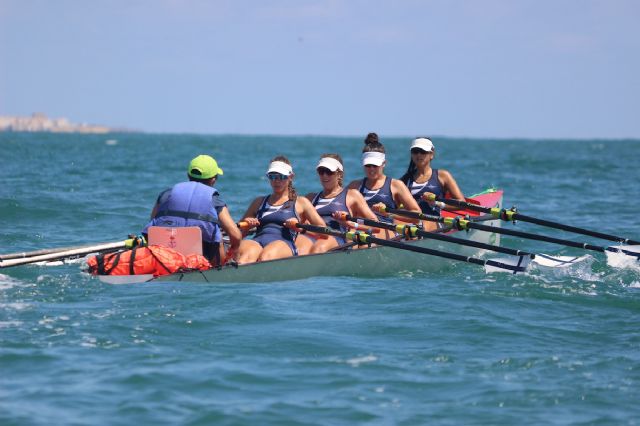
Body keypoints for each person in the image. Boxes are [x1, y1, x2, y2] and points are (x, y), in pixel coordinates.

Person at [142, 154, 242, 266]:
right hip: (201, 257)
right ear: (213, 180)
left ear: (188, 175)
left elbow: (153, 222)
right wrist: (233, 251)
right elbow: (235, 235)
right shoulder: (215, 200)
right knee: (220, 236)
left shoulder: (166, 194)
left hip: (163, 254)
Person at [237, 155, 326, 263]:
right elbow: (238, 234)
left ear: (291, 177)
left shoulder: (301, 203)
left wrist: (301, 229)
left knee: (266, 256)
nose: (276, 181)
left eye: (281, 177)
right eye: (272, 176)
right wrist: (247, 227)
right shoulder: (258, 202)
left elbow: (324, 232)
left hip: (283, 244)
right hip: (257, 242)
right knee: (245, 257)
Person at [296, 154, 381, 254]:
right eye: (321, 171)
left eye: (329, 172)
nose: (324, 175)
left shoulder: (352, 195)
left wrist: (349, 224)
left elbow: (376, 227)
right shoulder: (310, 198)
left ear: (339, 174)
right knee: (299, 248)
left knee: (319, 247)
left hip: (338, 237)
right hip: (313, 235)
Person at [347, 133, 421, 237]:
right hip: (360, 230)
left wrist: (389, 213)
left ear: (384, 163)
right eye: (368, 165)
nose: (371, 169)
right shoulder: (354, 186)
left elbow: (417, 216)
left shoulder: (396, 185)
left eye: (375, 165)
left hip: (384, 231)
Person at [400, 137, 465, 230]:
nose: (419, 155)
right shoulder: (405, 180)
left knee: (423, 225)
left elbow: (462, 204)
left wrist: (437, 203)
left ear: (431, 154)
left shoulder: (443, 176)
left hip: (434, 223)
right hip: (412, 225)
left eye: (423, 151)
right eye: (415, 151)